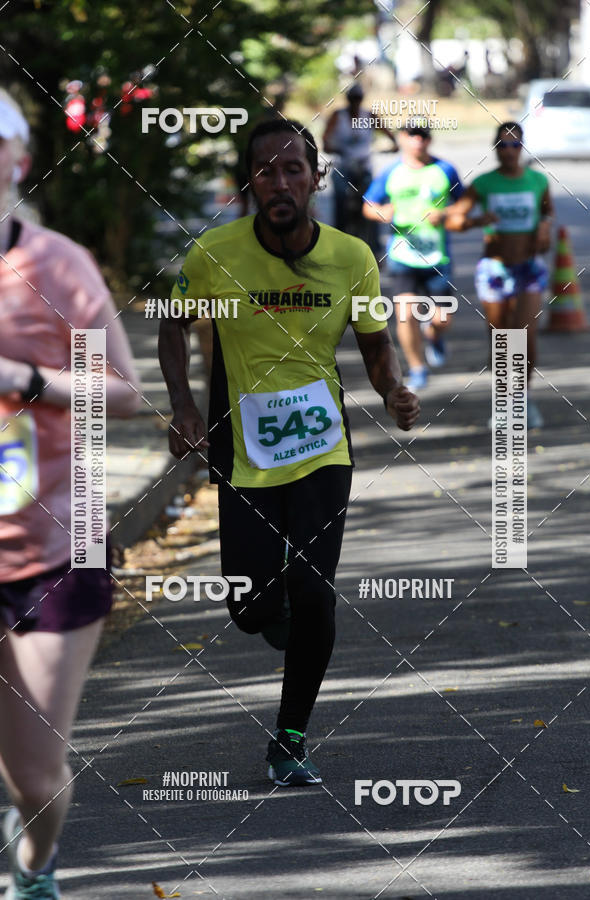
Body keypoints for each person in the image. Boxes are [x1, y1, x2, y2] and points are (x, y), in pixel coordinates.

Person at [158, 118, 419, 787]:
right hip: (243, 449)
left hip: (322, 449)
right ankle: (272, 616)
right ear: (249, 182)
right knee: (248, 606)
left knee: (313, 589)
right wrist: (184, 405)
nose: (280, 183)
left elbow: (374, 346)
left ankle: (290, 737)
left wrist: (392, 391)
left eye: (293, 170)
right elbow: (171, 324)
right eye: (266, 171)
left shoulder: (351, 258)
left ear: (315, 178)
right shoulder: (213, 253)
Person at [0, 89, 140, 898]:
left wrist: (23, 379)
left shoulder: (57, 265)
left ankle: (35, 869)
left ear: (16, 160)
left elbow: (121, 389)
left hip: (58, 542)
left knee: (35, 774)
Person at [444, 121, 553, 428]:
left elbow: (547, 211)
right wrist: (477, 221)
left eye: (515, 145)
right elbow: (453, 220)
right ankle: (503, 402)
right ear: (495, 148)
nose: (509, 151)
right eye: (503, 145)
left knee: (526, 337)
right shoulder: (483, 184)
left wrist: (544, 226)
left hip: (529, 269)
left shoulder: (537, 181)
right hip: (494, 268)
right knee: (501, 339)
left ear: (522, 148)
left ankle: (524, 399)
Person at [362, 124, 463, 391]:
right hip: (403, 257)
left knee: (442, 319)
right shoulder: (392, 172)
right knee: (405, 315)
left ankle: (434, 335)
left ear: (430, 139)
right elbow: (368, 206)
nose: (418, 140)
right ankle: (417, 368)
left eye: (424, 135)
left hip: (437, 257)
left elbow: (465, 203)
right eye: (412, 135)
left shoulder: (445, 170)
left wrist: (447, 215)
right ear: (403, 138)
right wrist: (382, 212)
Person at [323, 83, 398, 251]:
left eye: (358, 99)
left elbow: (388, 134)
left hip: (364, 165)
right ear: (348, 100)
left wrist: (393, 145)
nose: (355, 103)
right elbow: (325, 139)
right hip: (344, 164)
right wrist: (332, 147)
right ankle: (338, 245)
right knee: (341, 200)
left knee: (371, 203)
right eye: (353, 99)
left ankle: (375, 248)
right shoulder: (338, 116)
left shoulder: (369, 115)